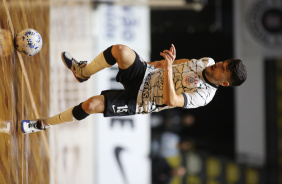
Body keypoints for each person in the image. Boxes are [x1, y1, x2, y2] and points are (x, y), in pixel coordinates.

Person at [21, 44, 247, 133]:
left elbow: (171, 101)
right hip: (146, 75)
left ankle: (42, 124)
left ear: (224, 82)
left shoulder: (204, 96)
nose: (219, 64)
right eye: (224, 62)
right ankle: (83, 72)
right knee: (121, 51)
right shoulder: (206, 61)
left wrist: (166, 68)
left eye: (223, 69)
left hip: (142, 100)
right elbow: (175, 64)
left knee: (90, 105)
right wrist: (149, 65)